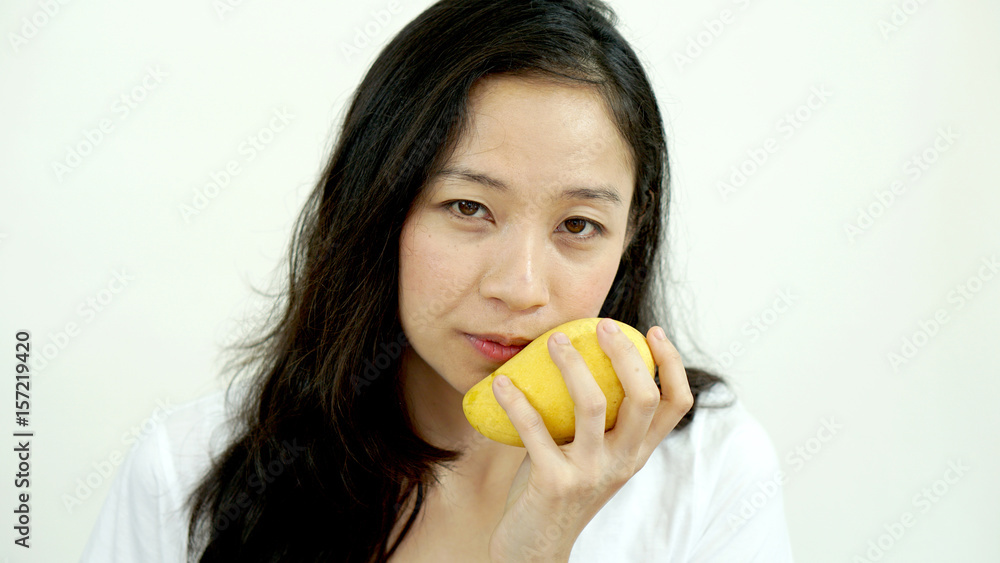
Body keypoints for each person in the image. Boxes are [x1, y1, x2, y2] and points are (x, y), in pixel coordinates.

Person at [80, 0, 795, 561]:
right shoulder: (186, 471)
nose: (520, 287)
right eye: (468, 207)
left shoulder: (706, 469)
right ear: (378, 208)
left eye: (578, 225)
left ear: (629, 239)